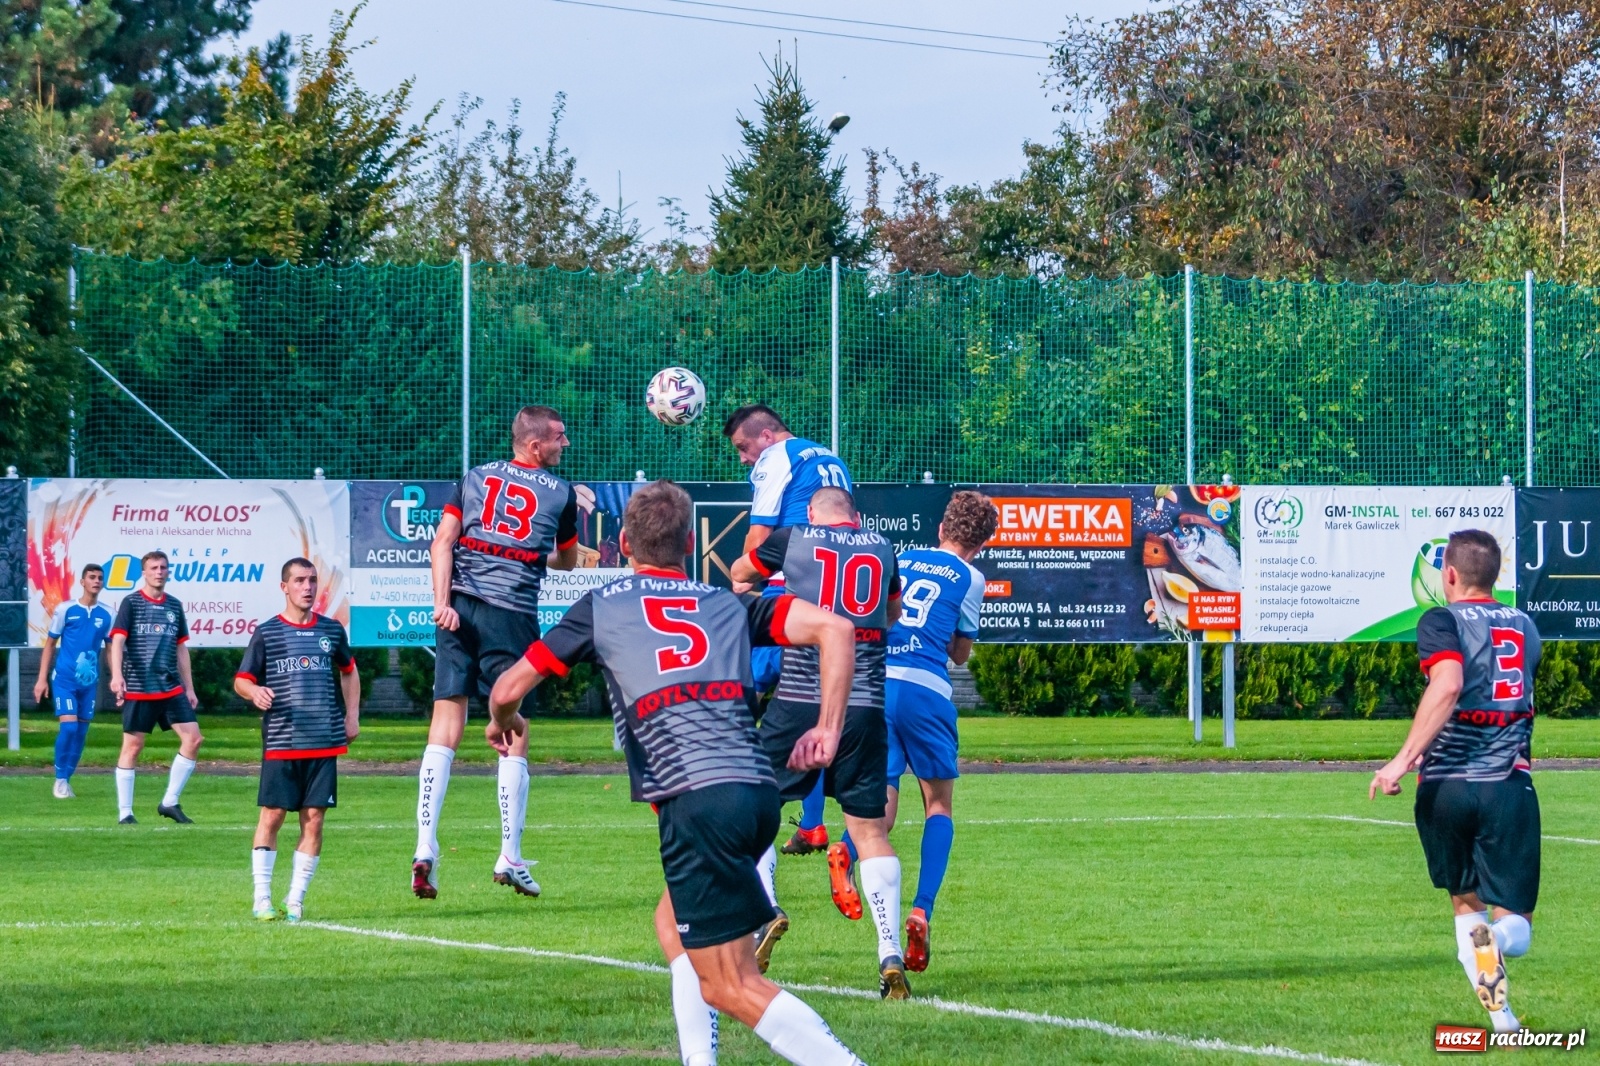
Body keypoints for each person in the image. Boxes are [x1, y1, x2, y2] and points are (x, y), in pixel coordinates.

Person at [487, 479, 869, 1066]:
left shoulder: (604, 605)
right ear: (690, 544)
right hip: (756, 792)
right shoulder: (727, 602)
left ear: (621, 544)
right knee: (673, 926)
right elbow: (836, 629)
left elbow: (508, 687)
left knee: (732, 984)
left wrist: (503, 719)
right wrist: (828, 727)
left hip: (697, 802)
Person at [730, 487, 909, 999]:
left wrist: (785, 604)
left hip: (801, 699)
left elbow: (741, 576)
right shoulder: (883, 548)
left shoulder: (791, 538)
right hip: (866, 704)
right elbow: (891, 615)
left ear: (811, 513)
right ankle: (888, 952)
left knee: (757, 802)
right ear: (855, 515)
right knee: (870, 831)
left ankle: (766, 910)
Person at [1370, 530, 1541, 1036]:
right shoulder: (1527, 626)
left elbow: (1446, 685)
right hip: (1506, 783)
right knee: (1518, 930)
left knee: (1469, 910)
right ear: (1494, 575)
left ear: (1448, 575)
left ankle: (1504, 1022)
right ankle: (1501, 992)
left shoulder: (1440, 620)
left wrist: (1402, 760)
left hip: (1444, 787)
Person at [414, 405, 578, 900]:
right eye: (559, 437)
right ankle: (510, 854)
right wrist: (537, 555)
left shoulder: (475, 477)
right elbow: (567, 563)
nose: (564, 444)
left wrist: (441, 603)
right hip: (511, 614)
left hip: (458, 608)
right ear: (534, 446)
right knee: (514, 729)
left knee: (445, 727)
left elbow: (442, 542)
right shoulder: (562, 492)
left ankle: (425, 849)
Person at [880, 491, 996, 974]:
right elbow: (960, 654)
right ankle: (922, 908)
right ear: (983, 542)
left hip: (882, 682)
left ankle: (847, 846)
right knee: (938, 806)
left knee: (880, 805)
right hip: (927, 690)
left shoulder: (903, 557)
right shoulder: (971, 577)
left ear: (941, 527)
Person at [724, 407, 849, 855]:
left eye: (744, 448)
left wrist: (740, 583)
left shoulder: (777, 457)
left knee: (738, 705)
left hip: (784, 596)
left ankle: (733, 812)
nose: (744, 460)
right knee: (807, 713)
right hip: (823, 600)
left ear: (767, 434)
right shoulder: (830, 458)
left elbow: (759, 540)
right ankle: (813, 825)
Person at [235, 558, 360, 923]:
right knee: (272, 816)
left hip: (324, 741)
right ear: (284, 587)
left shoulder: (332, 631)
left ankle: (295, 900)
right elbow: (241, 679)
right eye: (299, 581)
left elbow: (350, 672)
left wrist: (351, 715)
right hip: (282, 740)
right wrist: (253, 691)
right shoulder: (268, 633)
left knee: (315, 820)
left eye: (312, 580)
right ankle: (262, 898)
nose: (307, 587)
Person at [108, 551, 201, 825]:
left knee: (193, 739)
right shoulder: (131, 603)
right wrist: (116, 675)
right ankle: (125, 812)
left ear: (168, 571)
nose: (159, 572)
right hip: (139, 686)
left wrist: (190, 688)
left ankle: (170, 802)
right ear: (144, 572)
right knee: (133, 746)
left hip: (171, 687)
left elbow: (181, 648)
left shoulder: (174, 605)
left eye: (163, 567)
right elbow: (118, 641)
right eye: (153, 568)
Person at [34, 563, 113, 799]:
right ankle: (59, 779)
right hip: (64, 680)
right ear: (82, 582)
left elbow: (110, 649)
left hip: (89, 683)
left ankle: (66, 780)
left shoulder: (108, 613)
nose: (96, 581)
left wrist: (116, 678)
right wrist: (41, 679)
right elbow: (49, 644)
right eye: (92, 577)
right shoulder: (66, 609)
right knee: (68, 727)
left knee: (80, 733)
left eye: (100, 577)